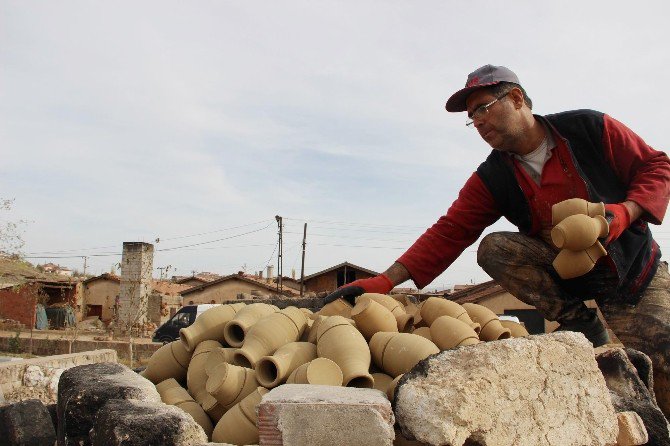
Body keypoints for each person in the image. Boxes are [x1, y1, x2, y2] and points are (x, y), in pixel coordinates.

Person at [324, 65, 670, 416]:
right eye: (471, 117)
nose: (478, 122)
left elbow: (657, 167)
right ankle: (581, 323)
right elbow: (449, 230)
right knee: (496, 248)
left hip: (631, 271)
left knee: (662, 364)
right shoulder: (494, 175)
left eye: (483, 108)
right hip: (570, 273)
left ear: (517, 98)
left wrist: (624, 213)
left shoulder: (588, 128)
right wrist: (384, 281)